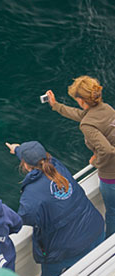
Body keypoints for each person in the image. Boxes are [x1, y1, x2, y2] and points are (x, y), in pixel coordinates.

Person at [5, 141, 105, 276]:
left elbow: (25, 218)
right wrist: (17, 149)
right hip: (95, 228)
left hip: (65, 250)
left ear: (25, 165)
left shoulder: (31, 195)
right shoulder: (57, 165)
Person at [45, 75, 115, 237]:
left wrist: (96, 161)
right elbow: (81, 115)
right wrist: (55, 106)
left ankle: (110, 248)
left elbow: (107, 150)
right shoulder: (107, 109)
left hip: (111, 176)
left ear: (82, 101)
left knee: (112, 212)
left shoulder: (87, 125)